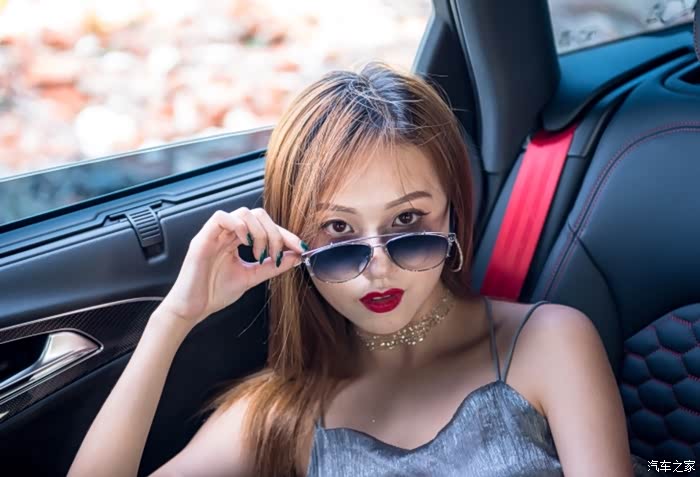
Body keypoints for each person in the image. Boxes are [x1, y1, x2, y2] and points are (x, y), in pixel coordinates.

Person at [68, 62, 649, 477]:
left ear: (453, 214)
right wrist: (174, 317)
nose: (378, 266)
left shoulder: (549, 343)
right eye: (339, 231)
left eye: (408, 221)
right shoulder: (279, 414)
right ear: (296, 238)